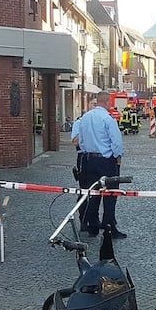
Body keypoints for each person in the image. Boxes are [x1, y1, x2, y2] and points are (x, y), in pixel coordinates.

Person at [77, 91, 127, 238]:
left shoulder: (85, 118)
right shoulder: (108, 119)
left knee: (93, 193)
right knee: (110, 195)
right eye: (109, 102)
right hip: (106, 161)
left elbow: (82, 142)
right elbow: (116, 141)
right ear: (106, 102)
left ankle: (92, 226)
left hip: (89, 160)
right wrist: (118, 157)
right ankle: (109, 227)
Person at [71, 98, 97, 231]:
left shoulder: (101, 121)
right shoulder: (80, 122)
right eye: (93, 104)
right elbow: (75, 141)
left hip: (98, 158)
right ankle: (83, 220)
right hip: (83, 158)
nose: (95, 107)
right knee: (84, 190)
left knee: (98, 191)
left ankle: (95, 220)